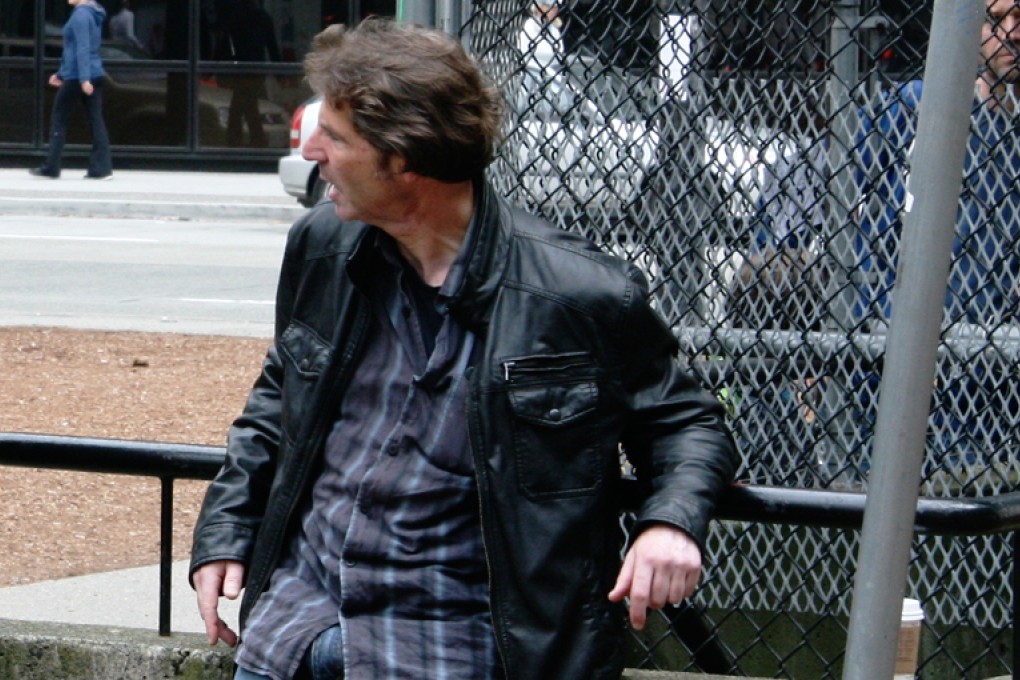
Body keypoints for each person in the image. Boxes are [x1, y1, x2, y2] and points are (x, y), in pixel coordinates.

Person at [189, 18, 737, 680]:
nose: (312, 152)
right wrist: (225, 533)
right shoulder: (324, 247)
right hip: (296, 633)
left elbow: (685, 420)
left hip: (459, 647)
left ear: (405, 161)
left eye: (334, 137)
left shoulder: (575, 294)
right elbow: (279, 395)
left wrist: (670, 524)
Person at [854, 0, 1020, 483]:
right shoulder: (911, 110)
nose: (1011, 33)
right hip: (907, 370)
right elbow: (861, 232)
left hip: (997, 384)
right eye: (995, 19)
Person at [30, 0, 112, 180]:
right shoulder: (93, 13)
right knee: (95, 120)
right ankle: (102, 168)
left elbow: (82, 48)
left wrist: (83, 79)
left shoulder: (81, 15)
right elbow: (76, 49)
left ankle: (51, 167)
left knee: (59, 118)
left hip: (79, 76)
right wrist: (61, 74)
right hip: (93, 72)